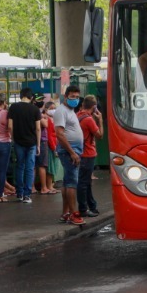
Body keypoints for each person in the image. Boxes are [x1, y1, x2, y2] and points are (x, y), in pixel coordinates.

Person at [53, 84, 85, 226]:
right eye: (72, 97)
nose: (75, 99)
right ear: (66, 96)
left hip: (72, 150)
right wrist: (72, 152)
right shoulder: (61, 111)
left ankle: (65, 213)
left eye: (77, 97)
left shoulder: (70, 111)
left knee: (67, 183)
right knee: (72, 183)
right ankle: (73, 214)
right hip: (69, 151)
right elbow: (59, 134)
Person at [7, 87, 42, 204]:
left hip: (18, 142)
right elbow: (38, 128)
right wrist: (38, 145)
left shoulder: (13, 107)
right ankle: (27, 195)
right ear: (31, 97)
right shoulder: (35, 109)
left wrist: (13, 138)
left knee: (20, 166)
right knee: (29, 168)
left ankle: (19, 193)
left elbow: (10, 126)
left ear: (21, 95)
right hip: (31, 143)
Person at [76, 93, 101, 217]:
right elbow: (100, 135)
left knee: (85, 182)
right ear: (94, 107)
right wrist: (100, 120)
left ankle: (92, 205)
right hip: (88, 153)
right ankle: (83, 209)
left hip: (80, 152)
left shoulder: (78, 116)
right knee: (84, 183)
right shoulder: (89, 120)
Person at [36, 99, 57, 194]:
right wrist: (54, 147)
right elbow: (50, 134)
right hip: (48, 144)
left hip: (51, 144)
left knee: (49, 166)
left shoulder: (51, 119)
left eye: (55, 108)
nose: (53, 110)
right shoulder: (45, 118)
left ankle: (50, 186)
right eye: (51, 108)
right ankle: (47, 186)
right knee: (48, 166)